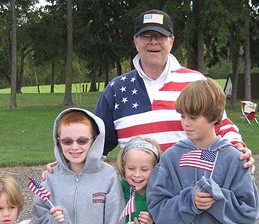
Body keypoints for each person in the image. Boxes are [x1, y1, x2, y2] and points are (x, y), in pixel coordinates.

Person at [93, 9, 254, 170]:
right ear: (135, 41)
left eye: (160, 36)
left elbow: (222, 126)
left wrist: (239, 151)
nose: (153, 42)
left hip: (190, 191)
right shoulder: (116, 89)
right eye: (146, 36)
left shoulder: (195, 82)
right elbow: (95, 144)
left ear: (171, 40)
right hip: (140, 192)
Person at [146, 78, 259, 224]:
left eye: (193, 116)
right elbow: (158, 210)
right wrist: (189, 202)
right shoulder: (171, 159)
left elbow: (249, 213)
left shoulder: (235, 159)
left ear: (214, 116)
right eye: (182, 116)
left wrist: (218, 199)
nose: (185, 123)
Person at [31, 108, 125, 224]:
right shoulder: (52, 178)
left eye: (82, 140)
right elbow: (41, 220)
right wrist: (58, 223)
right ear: (58, 141)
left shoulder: (108, 176)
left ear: (95, 140)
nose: (74, 147)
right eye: (67, 141)